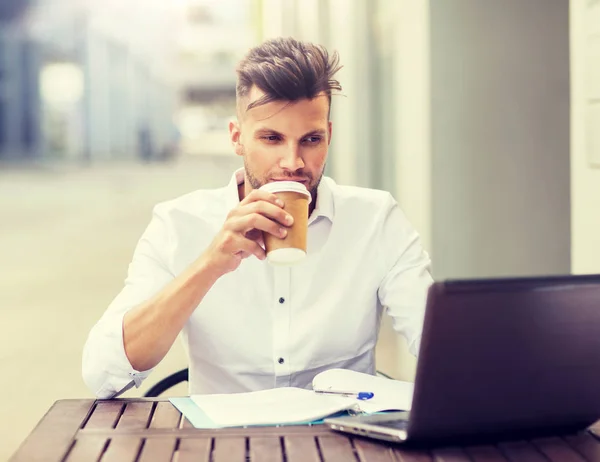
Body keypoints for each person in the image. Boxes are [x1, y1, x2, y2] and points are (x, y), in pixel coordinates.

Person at [82, 37, 433, 398]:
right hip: (222, 444)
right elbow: (103, 373)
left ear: (328, 136)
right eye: (271, 138)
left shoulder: (376, 219)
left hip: (342, 440)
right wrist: (209, 265)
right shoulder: (178, 223)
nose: (293, 162)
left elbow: (437, 343)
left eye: (310, 140)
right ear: (238, 138)